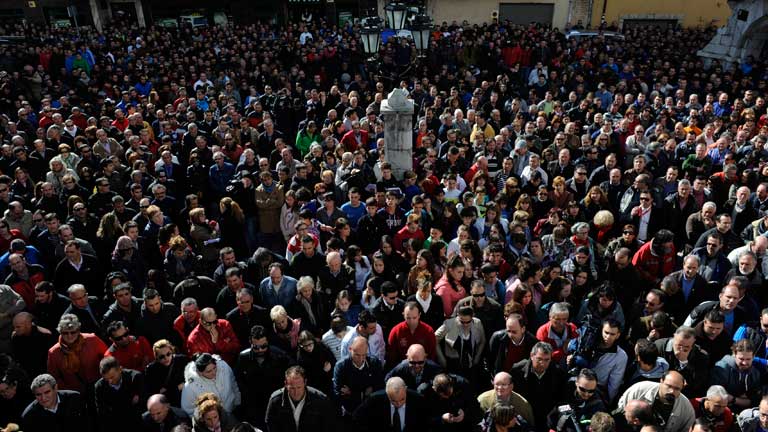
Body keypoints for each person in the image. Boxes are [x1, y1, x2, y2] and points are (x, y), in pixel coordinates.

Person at [235, 325, 291, 428]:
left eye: (264, 346)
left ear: (267, 342)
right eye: (256, 347)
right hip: (254, 404)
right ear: (250, 342)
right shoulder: (243, 357)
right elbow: (239, 378)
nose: (260, 350)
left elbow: (290, 374)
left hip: (275, 401)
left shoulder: (279, 355)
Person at [46, 313, 108, 393]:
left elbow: (107, 357)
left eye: (73, 332)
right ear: (60, 332)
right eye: (65, 333)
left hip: (100, 385)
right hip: (76, 393)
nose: (69, 336)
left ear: (78, 331)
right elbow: (54, 378)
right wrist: (69, 391)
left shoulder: (92, 339)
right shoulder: (54, 352)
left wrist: (106, 376)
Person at [616, 371, 696, 432]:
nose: (672, 391)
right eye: (669, 386)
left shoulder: (686, 409)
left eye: (677, 389)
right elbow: (621, 409)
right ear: (661, 381)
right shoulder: (639, 389)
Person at [265, 366, 336, 432]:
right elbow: (271, 424)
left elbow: (328, 426)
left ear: (305, 382)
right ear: (286, 384)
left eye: (299, 387)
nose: (296, 392)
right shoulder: (275, 400)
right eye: (292, 388)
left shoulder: (320, 400)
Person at [352, 376, 429, 432]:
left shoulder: (418, 400)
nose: (398, 404)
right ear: (387, 393)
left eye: (402, 399)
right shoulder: (374, 399)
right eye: (393, 401)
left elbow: (425, 423)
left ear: (405, 389)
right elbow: (357, 417)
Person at [333, 335, 385, 416]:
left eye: (364, 355)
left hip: (371, 410)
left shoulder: (374, 363)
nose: (361, 359)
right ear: (350, 349)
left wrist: (351, 393)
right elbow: (338, 393)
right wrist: (365, 392)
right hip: (350, 411)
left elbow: (380, 387)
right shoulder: (341, 366)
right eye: (357, 355)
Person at [93, 356, 145, 432]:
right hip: (115, 426)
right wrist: (129, 402)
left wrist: (115, 407)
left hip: (136, 423)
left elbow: (143, 404)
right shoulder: (99, 387)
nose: (110, 381)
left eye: (112, 377)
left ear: (120, 369)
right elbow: (102, 413)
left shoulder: (135, 378)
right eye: (106, 379)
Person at [21, 373, 87, 432]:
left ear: (55, 388)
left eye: (47, 392)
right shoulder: (29, 416)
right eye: (38, 394)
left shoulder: (75, 399)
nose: (43, 398)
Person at [710, 340, 763, 411]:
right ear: (734, 354)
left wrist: (733, 399)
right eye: (741, 359)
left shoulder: (755, 373)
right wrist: (742, 400)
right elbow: (717, 397)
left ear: (753, 357)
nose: (744, 363)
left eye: (748, 359)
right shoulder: (722, 368)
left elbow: (753, 401)